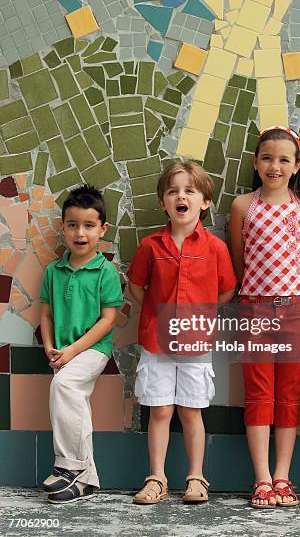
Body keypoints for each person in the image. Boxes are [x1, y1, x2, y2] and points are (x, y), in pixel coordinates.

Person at [128, 161, 236, 505]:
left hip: (196, 343)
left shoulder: (215, 248)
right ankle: (156, 478)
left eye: (189, 190)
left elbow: (227, 290)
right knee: (159, 411)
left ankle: (196, 478)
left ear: (204, 202)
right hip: (156, 344)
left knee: (191, 411)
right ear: (163, 201)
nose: (181, 196)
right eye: (173, 191)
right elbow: (135, 286)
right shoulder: (150, 246)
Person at [230, 126, 300, 508]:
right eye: (267, 158)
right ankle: (262, 478)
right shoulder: (243, 205)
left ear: (296, 166)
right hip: (255, 308)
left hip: (295, 308)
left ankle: (283, 476)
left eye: (284, 160)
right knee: (259, 392)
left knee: (288, 394)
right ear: (255, 162)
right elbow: (237, 259)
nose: (274, 166)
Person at [40, 184, 123, 504]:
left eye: (89, 225)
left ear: (102, 229)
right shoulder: (53, 271)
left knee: (64, 386)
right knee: (73, 400)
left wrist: (72, 351)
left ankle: (68, 466)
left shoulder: (105, 271)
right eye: (73, 224)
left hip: (93, 350)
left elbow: (107, 320)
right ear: (62, 226)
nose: (80, 232)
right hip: (62, 351)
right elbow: (45, 315)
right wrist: (50, 346)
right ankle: (86, 481)